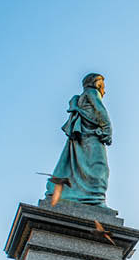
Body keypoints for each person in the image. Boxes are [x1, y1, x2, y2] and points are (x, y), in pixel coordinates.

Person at [46, 73, 112, 206]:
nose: (104, 90)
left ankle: (75, 195)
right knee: (99, 168)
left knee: (76, 168)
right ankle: (95, 198)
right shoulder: (92, 92)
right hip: (93, 137)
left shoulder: (81, 97)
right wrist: (107, 129)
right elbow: (100, 111)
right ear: (98, 84)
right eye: (103, 86)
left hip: (81, 138)